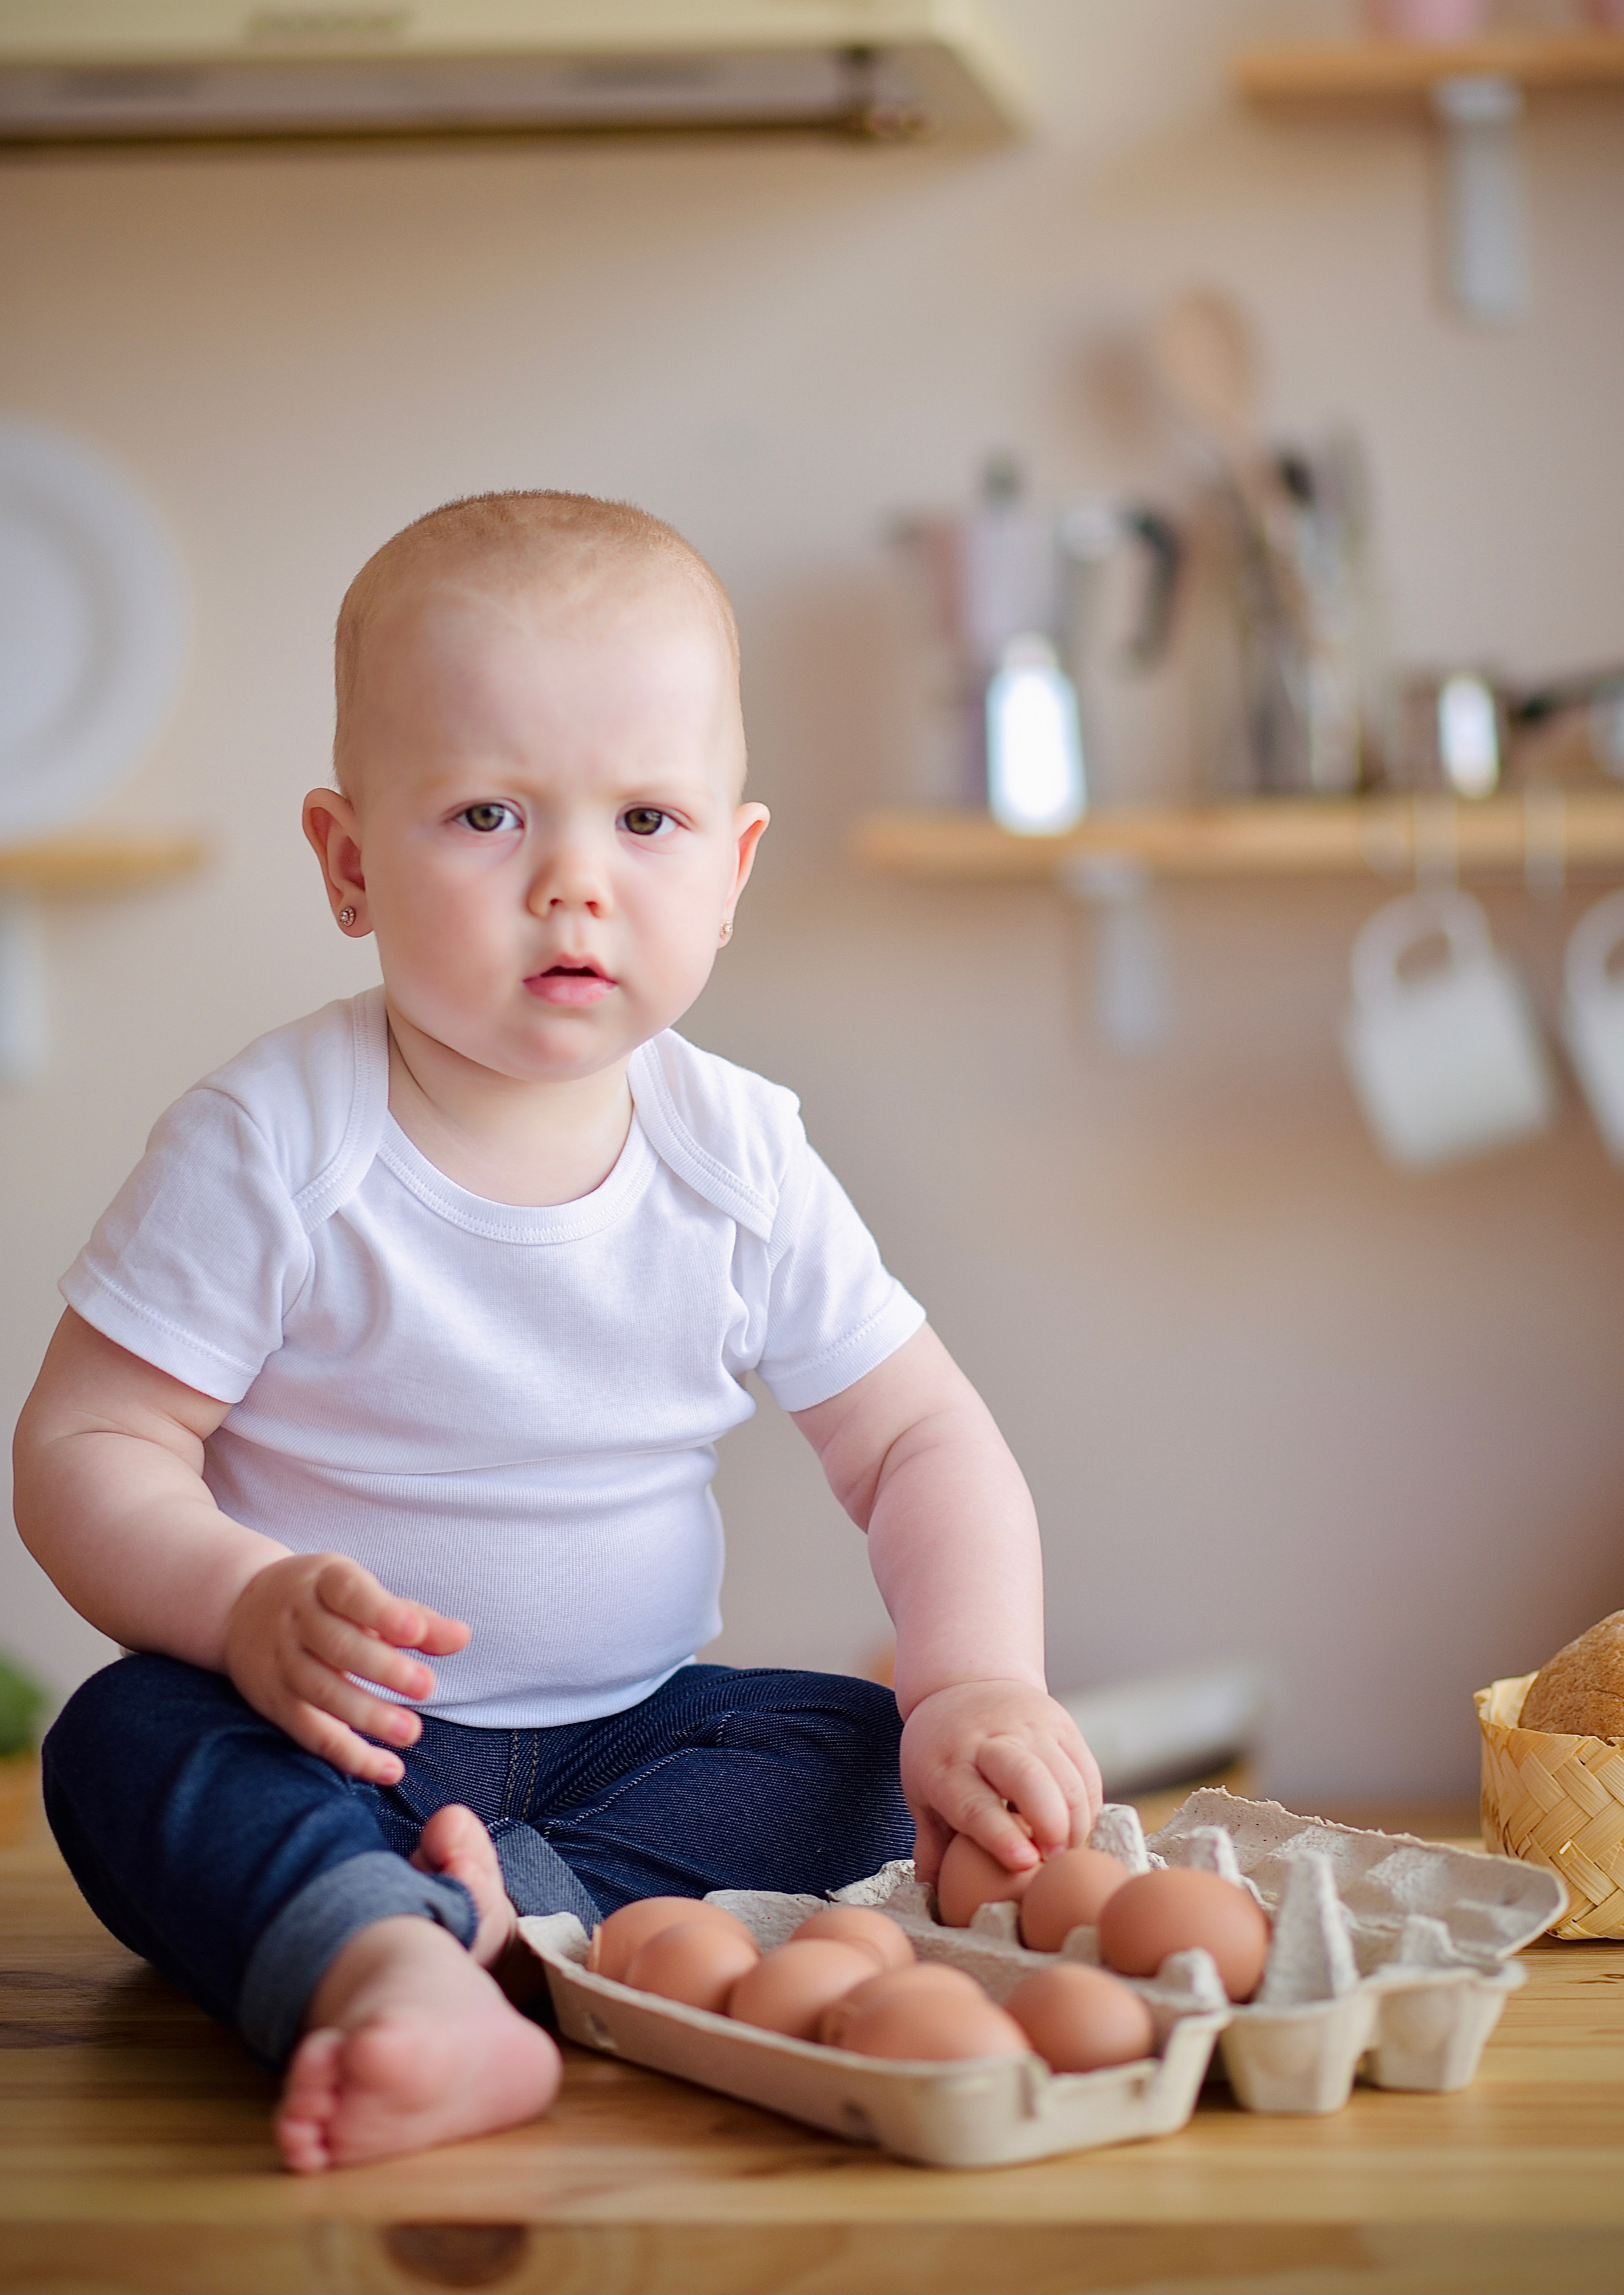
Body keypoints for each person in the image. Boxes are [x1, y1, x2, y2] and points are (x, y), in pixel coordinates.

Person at [13, 491, 1099, 2173]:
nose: (573, 884)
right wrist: (238, 1607)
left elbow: (915, 1441)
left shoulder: (733, 1156)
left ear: (731, 871)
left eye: (646, 820)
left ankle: (525, 1915)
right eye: (489, 814)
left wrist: (978, 1683)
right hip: (332, 1736)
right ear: (350, 861)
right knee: (119, 1741)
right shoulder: (274, 1142)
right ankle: (391, 1957)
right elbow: (88, 1448)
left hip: (633, 1736)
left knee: (858, 1751)